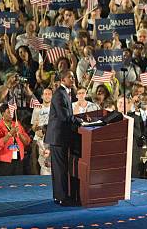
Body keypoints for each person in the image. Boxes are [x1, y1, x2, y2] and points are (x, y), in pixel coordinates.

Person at [45, 71, 82, 206]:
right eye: (70, 77)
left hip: (61, 137)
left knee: (59, 168)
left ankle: (59, 196)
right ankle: (62, 198)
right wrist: (80, 120)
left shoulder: (65, 92)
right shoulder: (59, 94)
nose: (73, 79)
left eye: (73, 77)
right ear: (62, 79)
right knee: (60, 168)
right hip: (58, 137)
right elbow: (64, 116)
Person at [0, 102, 31, 176]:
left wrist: (20, 134)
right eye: (9, 112)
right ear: (2, 114)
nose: (11, 114)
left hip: (18, 160)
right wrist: (9, 134)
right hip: (3, 161)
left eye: (12, 112)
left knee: (17, 183)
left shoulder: (17, 124)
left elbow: (27, 142)